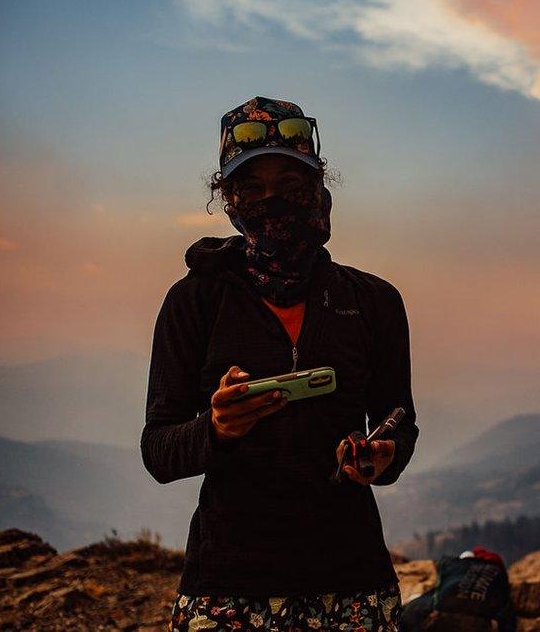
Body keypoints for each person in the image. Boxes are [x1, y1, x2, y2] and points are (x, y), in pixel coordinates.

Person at [140, 96, 419, 631]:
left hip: (351, 582)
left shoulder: (374, 302)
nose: (275, 204)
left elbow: (399, 421)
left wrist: (380, 458)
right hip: (229, 586)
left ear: (320, 191)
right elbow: (158, 450)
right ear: (229, 200)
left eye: (292, 187)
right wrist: (216, 429)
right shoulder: (196, 301)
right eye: (252, 189)